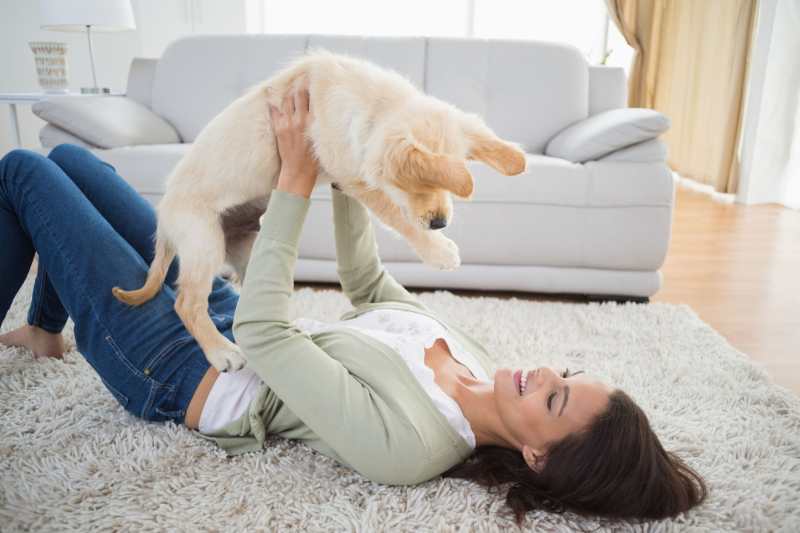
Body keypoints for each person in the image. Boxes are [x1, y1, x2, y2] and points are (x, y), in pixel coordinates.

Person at [0, 88, 706, 525]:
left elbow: (267, 333)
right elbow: (366, 283)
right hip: (215, 312)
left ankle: (44, 318)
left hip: (177, 367)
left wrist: (295, 182)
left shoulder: (412, 447)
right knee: (75, 165)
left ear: (536, 455)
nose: (544, 372)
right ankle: (42, 327)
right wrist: (343, 172)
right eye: (568, 372)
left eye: (554, 399)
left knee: (25, 171)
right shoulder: (480, 366)